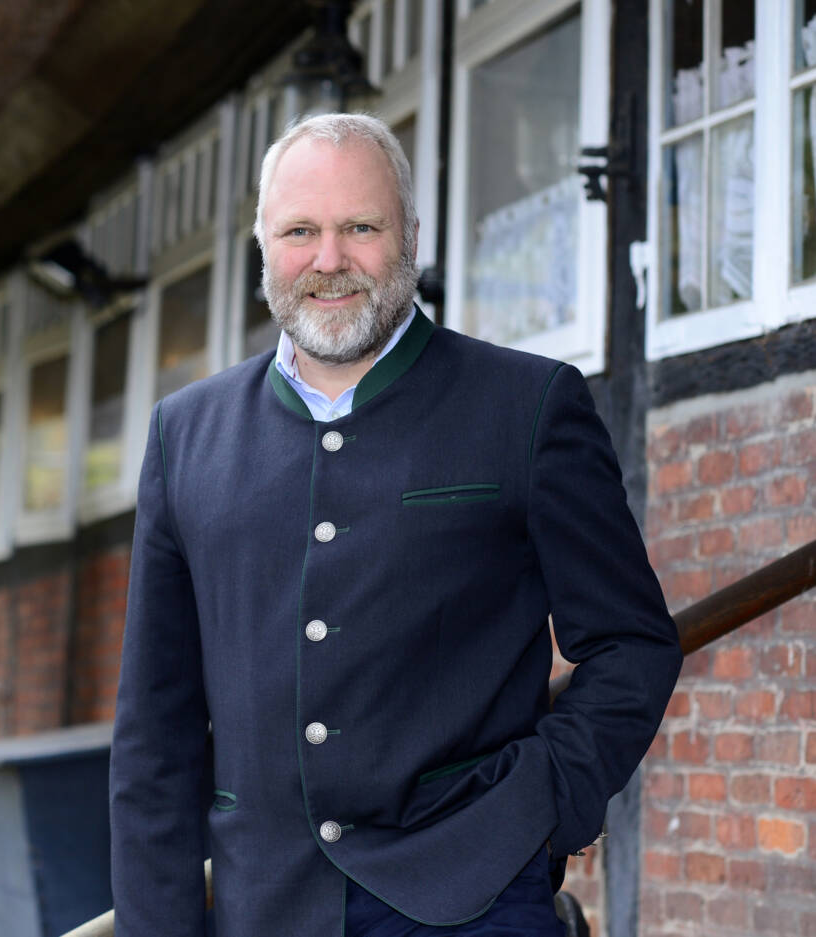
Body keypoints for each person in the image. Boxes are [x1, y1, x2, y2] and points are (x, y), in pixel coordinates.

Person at [108, 113, 682, 936]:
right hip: (262, 905)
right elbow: (155, 731)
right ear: (263, 248)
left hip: (475, 896)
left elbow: (633, 643)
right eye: (300, 230)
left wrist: (544, 804)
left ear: (410, 235)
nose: (329, 259)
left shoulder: (527, 406)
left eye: (361, 227)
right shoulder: (182, 435)